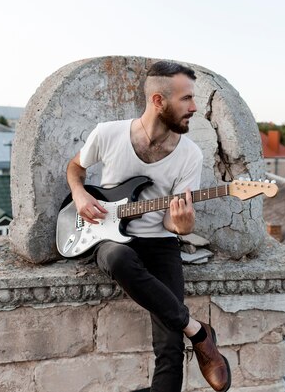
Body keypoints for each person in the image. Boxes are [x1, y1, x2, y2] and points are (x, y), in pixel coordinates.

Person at [66, 61, 231, 392]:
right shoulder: (108, 133)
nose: (194, 108)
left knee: (170, 352)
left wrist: (181, 225)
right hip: (110, 238)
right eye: (186, 99)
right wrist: (80, 194)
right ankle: (199, 332)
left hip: (161, 244)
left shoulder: (189, 155)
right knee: (117, 259)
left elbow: (171, 218)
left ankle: (189, 335)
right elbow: (75, 168)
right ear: (158, 100)